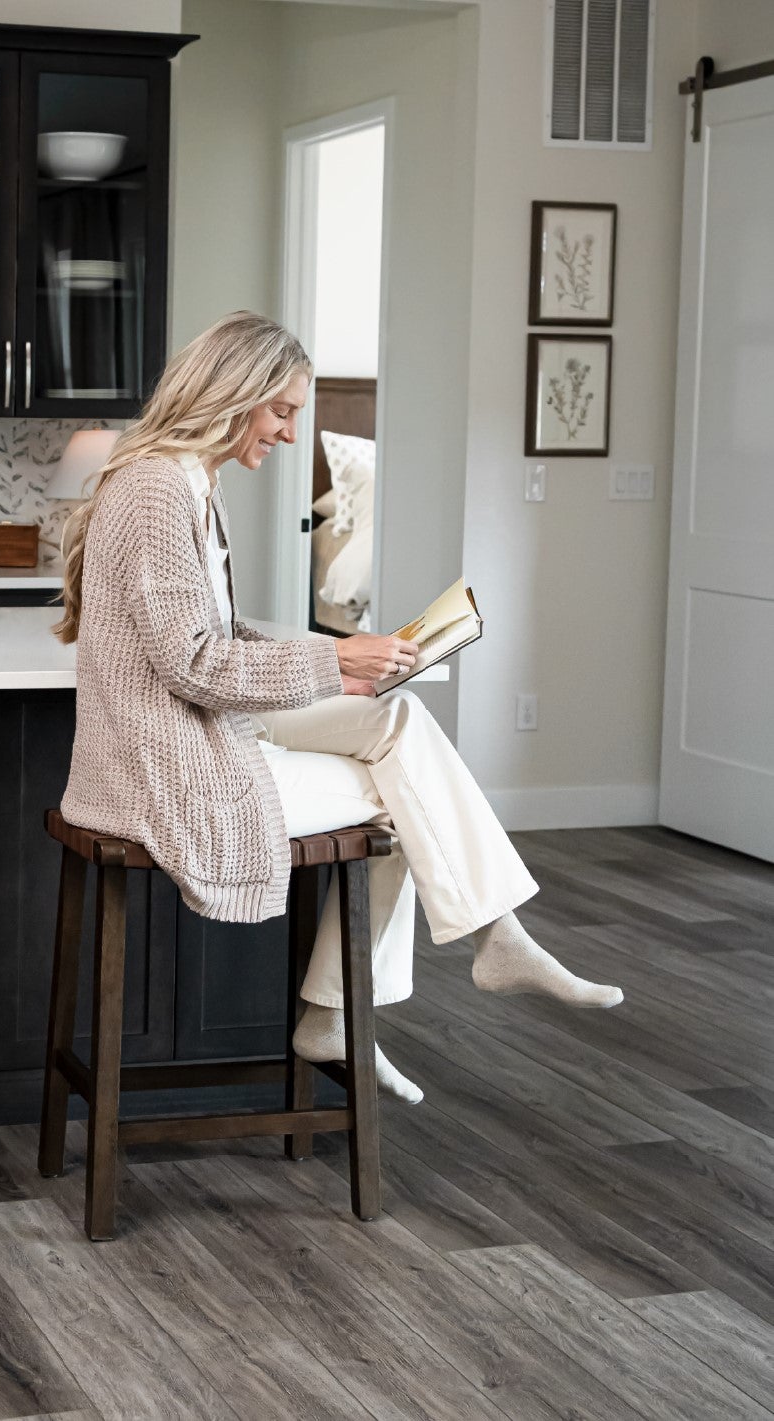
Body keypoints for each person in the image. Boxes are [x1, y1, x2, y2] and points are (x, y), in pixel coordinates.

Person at [52, 311, 621, 1103]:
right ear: (232, 394)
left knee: (394, 721)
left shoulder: (185, 478)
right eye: (281, 411)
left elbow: (206, 634)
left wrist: (340, 676)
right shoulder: (156, 489)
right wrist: (334, 654)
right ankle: (353, 1002)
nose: (289, 435)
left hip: (200, 729)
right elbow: (191, 664)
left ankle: (490, 938)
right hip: (166, 765)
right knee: (403, 797)